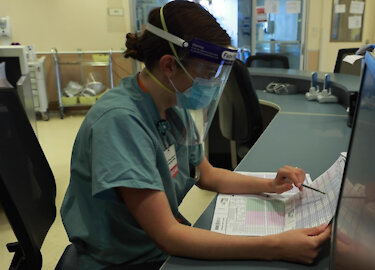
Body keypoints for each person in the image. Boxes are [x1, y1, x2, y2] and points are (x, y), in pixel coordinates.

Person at [60, 2, 330, 269]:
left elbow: (208, 175)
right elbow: (168, 236)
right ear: (169, 66)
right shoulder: (121, 121)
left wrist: (270, 186)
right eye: (208, 74)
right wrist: (276, 246)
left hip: (154, 246)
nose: (212, 85)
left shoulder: (171, 107)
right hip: (125, 260)